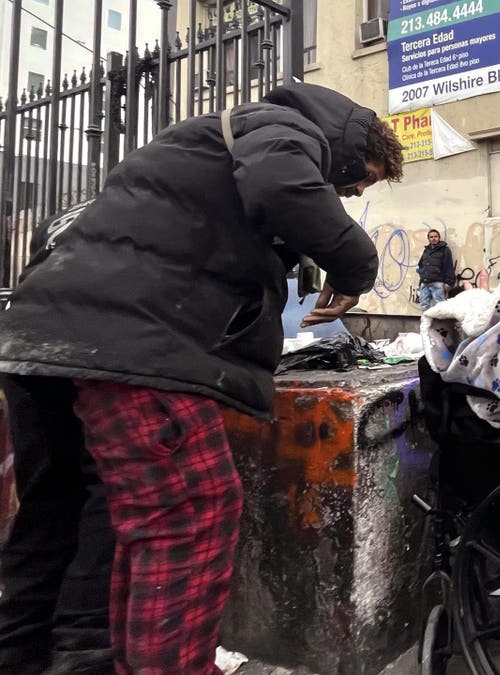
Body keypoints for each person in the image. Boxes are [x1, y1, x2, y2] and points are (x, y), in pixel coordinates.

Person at [0, 82, 403, 674]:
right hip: (134, 347)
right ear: (348, 146)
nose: (353, 192)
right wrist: (355, 266)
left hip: (41, 343)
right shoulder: (285, 127)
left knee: (63, 517)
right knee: (191, 515)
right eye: (360, 179)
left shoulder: (201, 148)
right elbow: (283, 187)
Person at [417, 229, 455, 310]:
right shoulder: (426, 250)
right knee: (424, 305)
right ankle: (426, 322)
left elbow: (449, 266)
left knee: (440, 306)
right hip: (425, 282)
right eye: (431, 237)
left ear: (439, 237)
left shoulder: (445, 250)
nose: (433, 238)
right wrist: (422, 276)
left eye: (435, 236)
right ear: (428, 239)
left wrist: (449, 282)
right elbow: (420, 264)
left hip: (437, 283)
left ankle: (440, 323)